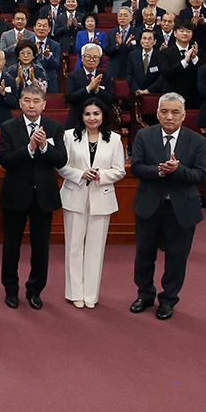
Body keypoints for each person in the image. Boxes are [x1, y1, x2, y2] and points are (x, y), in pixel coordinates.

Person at [130, 92, 206, 320]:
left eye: (175, 112)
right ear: (157, 114)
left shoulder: (197, 141)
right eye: (164, 111)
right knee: (144, 255)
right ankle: (145, 295)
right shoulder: (145, 135)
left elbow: (201, 175)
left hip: (181, 209)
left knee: (176, 257)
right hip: (148, 205)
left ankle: (168, 300)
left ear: (184, 116)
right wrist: (158, 170)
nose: (169, 116)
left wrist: (178, 170)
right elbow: (136, 167)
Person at [0, 85, 68, 309]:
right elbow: (4, 159)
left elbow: (61, 161)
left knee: (41, 247)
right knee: (11, 246)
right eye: (27, 100)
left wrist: (45, 145)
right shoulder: (9, 127)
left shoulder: (54, 127)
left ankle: (35, 290)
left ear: (44, 105)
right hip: (15, 195)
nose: (31, 105)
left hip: (44, 197)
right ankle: (10, 290)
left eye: (36, 101)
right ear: (20, 103)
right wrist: (29, 148)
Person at [58, 97, 126, 309]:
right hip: (74, 194)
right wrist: (81, 173)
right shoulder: (69, 136)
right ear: (81, 116)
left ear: (103, 115)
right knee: (74, 246)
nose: (92, 118)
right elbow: (62, 166)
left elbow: (120, 171)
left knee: (96, 248)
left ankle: (90, 294)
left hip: (101, 196)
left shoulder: (114, 139)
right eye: (87, 114)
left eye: (96, 113)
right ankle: (74, 292)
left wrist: (101, 175)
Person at [65, 42, 115, 126]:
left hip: (99, 120)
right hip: (77, 119)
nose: (91, 59)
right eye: (88, 56)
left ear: (99, 60)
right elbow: (69, 97)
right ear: (82, 58)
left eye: (95, 57)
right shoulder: (73, 75)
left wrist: (97, 90)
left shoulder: (105, 76)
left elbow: (111, 98)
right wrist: (88, 88)